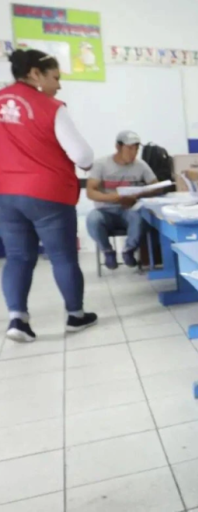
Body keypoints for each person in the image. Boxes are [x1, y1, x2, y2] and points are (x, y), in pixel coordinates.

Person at [0, 49, 99, 342]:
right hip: (48, 194)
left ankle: (18, 320)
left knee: (17, 257)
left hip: (5, 194)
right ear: (35, 74)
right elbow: (82, 155)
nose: (59, 85)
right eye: (55, 77)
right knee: (62, 257)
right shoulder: (50, 106)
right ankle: (75, 315)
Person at [85, 131, 160, 269]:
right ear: (118, 147)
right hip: (104, 210)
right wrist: (114, 198)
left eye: (136, 149)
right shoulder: (101, 164)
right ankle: (108, 252)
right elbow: (91, 192)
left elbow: (156, 187)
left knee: (139, 217)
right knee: (92, 219)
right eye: (130, 148)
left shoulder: (141, 165)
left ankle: (129, 250)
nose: (134, 153)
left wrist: (139, 194)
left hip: (129, 210)